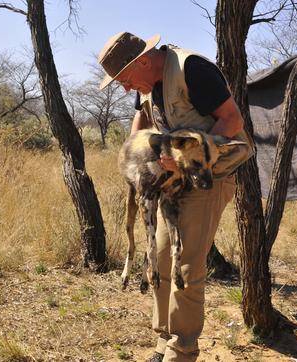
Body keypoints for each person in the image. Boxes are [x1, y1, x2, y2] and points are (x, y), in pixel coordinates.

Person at [97, 32, 252, 362]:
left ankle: (182, 349)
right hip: (170, 181)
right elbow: (141, 116)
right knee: (161, 258)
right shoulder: (146, 82)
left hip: (206, 179)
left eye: (124, 79)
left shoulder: (191, 68)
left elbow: (233, 119)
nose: (124, 87)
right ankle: (163, 342)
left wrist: (187, 152)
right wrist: (138, 152)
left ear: (142, 60)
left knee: (186, 266)